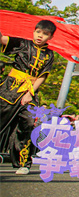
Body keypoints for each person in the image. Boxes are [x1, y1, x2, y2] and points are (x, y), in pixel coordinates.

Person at [0, 19, 56, 175]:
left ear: (50, 37)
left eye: (45, 34)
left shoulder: (49, 54)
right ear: (34, 31)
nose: (40, 36)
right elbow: (2, 39)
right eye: (38, 32)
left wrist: (30, 93)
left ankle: (23, 163)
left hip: (30, 93)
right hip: (10, 90)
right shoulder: (23, 44)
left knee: (28, 124)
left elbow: (42, 75)